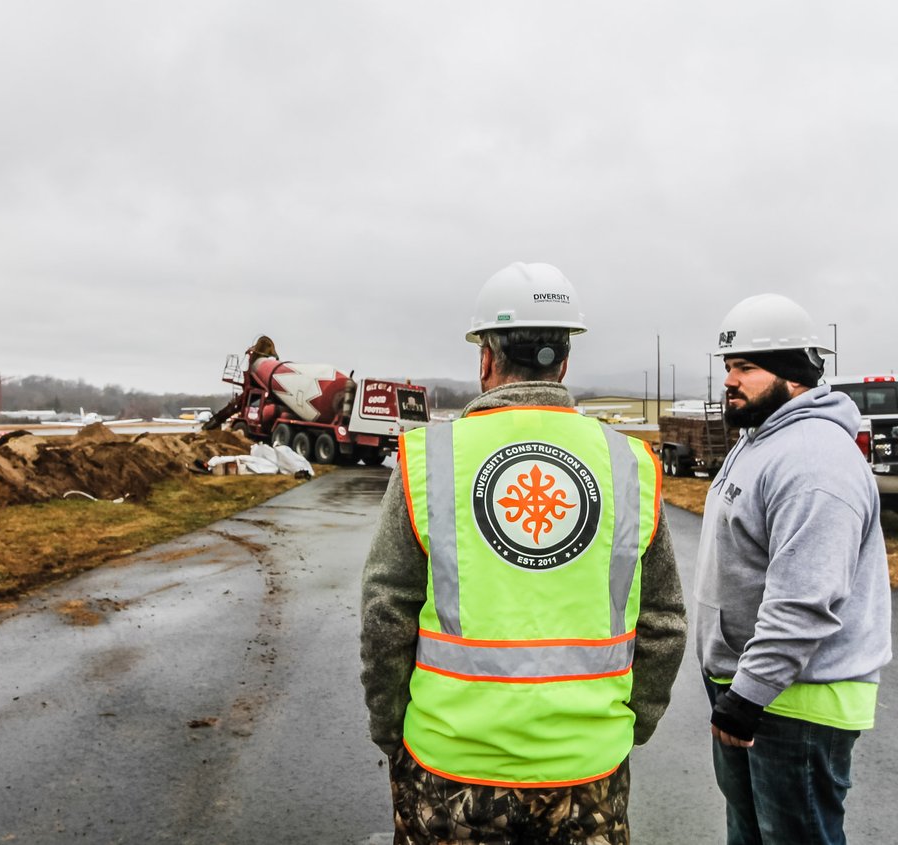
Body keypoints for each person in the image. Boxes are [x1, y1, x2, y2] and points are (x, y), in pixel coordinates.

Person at [360, 262, 688, 845]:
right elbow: (663, 623)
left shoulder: (429, 456)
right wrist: (627, 727)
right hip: (587, 773)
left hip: (449, 767)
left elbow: (386, 616)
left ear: (486, 358)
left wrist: (392, 730)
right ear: (565, 360)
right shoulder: (628, 463)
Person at [696, 293, 892, 845]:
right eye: (728, 367)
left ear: (795, 375)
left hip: (796, 701)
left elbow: (805, 597)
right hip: (753, 691)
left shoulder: (813, 460)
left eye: (746, 368)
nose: (730, 381)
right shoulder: (763, 438)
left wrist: (749, 695)